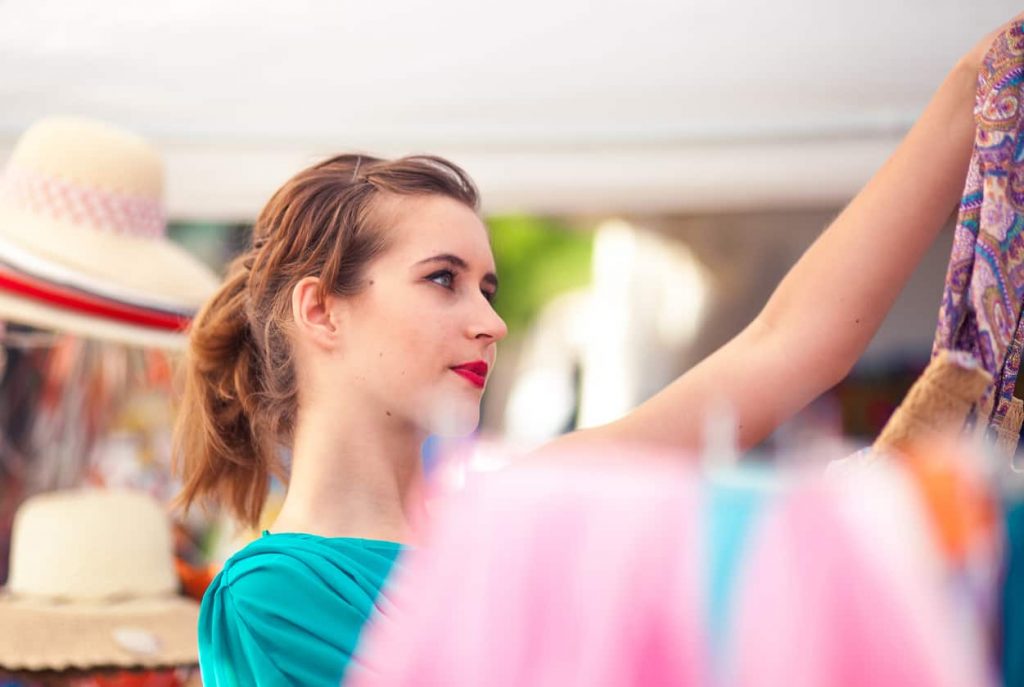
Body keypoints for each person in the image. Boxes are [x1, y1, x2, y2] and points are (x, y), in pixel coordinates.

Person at [175, 16, 1019, 686]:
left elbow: (785, 347)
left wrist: (970, 91)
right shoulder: (270, 596)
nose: (489, 322)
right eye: (443, 280)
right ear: (321, 310)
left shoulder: (527, 509)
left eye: (490, 289)